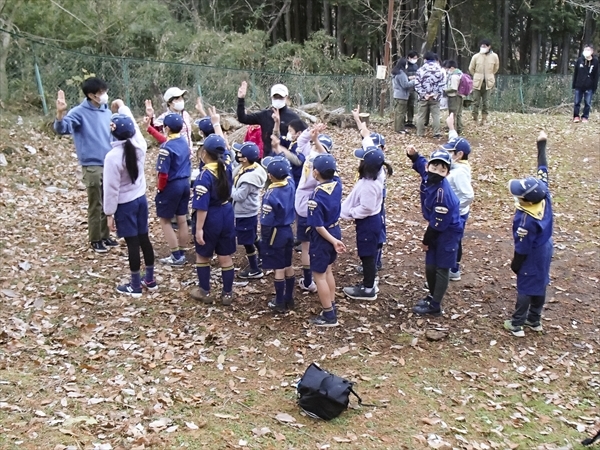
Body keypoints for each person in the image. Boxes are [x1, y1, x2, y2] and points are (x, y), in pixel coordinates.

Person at [54, 77, 118, 253]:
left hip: (109, 163)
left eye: (104, 91)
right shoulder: (79, 112)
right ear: (91, 95)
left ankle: (106, 235)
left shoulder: (106, 111)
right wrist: (60, 115)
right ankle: (95, 239)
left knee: (108, 202)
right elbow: (62, 129)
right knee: (95, 203)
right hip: (92, 165)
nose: (104, 95)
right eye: (100, 93)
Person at [103, 101, 156, 297]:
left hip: (125, 204)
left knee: (132, 243)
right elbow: (133, 126)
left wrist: (109, 213)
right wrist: (124, 107)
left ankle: (134, 285)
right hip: (141, 199)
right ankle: (150, 279)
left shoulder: (112, 157)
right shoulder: (139, 145)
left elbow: (110, 188)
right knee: (144, 239)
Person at [504, 131, 553, 337]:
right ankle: (535, 319)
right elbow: (543, 169)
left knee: (525, 285)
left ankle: (517, 324)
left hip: (531, 254)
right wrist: (541, 145)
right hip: (546, 248)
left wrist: (516, 264)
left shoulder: (525, 220)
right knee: (541, 281)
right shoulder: (545, 194)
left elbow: (522, 248)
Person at [406, 147, 461, 316]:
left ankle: (435, 305)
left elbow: (437, 226)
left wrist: (425, 241)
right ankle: (431, 295)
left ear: (447, 173)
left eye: (442, 170)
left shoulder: (443, 196)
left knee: (441, 267)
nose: (437, 172)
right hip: (435, 226)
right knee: (430, 264)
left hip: (448, 231)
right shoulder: (428, 175)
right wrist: (414, 155)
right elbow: (421, 163)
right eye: (434, 167)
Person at [190, 134, 236, 305]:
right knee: (225, 256)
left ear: (205, 153)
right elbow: (229, 153)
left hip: (211, 216)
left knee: (203, 255)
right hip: (227, 211)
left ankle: (204, 291)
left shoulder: (204, 177)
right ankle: (227, 293)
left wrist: (199, 229)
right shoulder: (227, 166)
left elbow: (202, 206)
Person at [341, 146, 389, 301]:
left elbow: (366, 208)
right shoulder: (377, 175)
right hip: (371, 222)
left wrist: (352, 212)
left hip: (368, 222)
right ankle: (370, 280)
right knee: (369, 253)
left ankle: (368, 289)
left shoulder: (369, 186)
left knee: (367, 255)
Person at [307, 154, 345, 326]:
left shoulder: (316, 197)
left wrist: (332, 241)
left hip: (324, 238)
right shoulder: (337, 184)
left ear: (315, 173)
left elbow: (318, 226)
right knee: (328, 270)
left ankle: (329, 315)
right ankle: (331, 303)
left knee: (319, 276)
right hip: (335, 230)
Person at [294, 125, 333, 293]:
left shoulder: (309, 156)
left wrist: (310, 134)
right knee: (314, 245)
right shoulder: (324, 168)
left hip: (301, 204)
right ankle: (316, 277)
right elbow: (326, 156)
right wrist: (316, 139)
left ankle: (308, 280)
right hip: (312, 205)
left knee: (305, 246)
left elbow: (300, 143)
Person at [260, 156, 296, 312]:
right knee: (288, 264)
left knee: (279, 267)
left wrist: (265, 241)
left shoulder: (270, 195)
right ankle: (289, 297)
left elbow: (266, 222)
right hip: (288, 230)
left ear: (270, 176)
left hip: (276, 232)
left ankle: (279, 301)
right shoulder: (291, 184)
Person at [155, 113, 191, 266]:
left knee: (165, 220)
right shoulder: (183, 141)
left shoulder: (166, 148)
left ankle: (176, 255)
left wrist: (159, 189)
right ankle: (182, 251)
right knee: (182, 219)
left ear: (167, 128)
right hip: (185, 183)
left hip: (172, 185)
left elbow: (163, 174)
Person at [442, 113, 474, 281]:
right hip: (457, 211)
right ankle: (453, 267)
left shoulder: (459, 172)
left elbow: (468, 195)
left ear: (459, 154)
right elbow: (456, 141)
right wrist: (451, 127)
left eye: (450, 152)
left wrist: (454, 209)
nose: (448, 154)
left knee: (452, 241)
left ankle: (453, 269)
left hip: (457, 214)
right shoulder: (459, 162)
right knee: (454, 240)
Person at [231, 142, 267, 279]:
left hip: (245, 212)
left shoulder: (249, 179)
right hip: (249, 211)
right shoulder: (250, 166)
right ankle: (264, 255)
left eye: (240, 154)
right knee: (253, 235)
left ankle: (254, 269)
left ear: (245, 159)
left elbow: (239, 196)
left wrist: (229, 187)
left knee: (247, 241)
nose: (237, 156)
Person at [236, 81, 300, 157]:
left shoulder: (293, 117)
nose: (278, 99)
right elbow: (243, 118)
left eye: (280, 97)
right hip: (267, 156)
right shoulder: (264, 115)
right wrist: (241, 99)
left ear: (286, 97)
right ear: (271, 97)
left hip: (287, 157)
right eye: (276, 97)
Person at [145, 87, 194, 153]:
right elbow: (155, 129)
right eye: (177, 99)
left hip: (188, 154)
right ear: (170, 103)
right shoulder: (166, 117)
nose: (181, 101)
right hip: (175, 153)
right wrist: (150, 117)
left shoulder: (185, 114)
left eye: (181, 98)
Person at [415, 51, 446, 138]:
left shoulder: (420, 70)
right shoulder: (439, 70)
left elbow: (417, 84)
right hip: (435, 97)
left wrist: (424, 94)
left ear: (425, 59)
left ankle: (420, 133)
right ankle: (436, 133)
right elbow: (443, 84)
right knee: (436, 115)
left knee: (421, 115)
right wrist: (435, 93)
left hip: (423, 97)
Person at [468, 39, 499, 125]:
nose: (482, 47)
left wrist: (490, 76)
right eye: (481, 46)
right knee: (475, 101)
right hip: (477, 83)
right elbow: (471, 68)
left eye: (484, 46)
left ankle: (484, 119)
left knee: (486, 102)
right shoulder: (476, 56)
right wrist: (477, 76)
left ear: (489, 47)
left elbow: (496, 68)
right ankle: (475, 118)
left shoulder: (494, 56)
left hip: (488, 83)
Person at [572, 44, 599, 123]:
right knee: (577, 102)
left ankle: (585, 117)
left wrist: (594, 87)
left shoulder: (595, 62)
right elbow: (576, 73)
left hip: (589, 86)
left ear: (592, 51)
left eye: (588, 50)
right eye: (585, 50)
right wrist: (574, 85)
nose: (586, 51)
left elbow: (596, 75)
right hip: (579, 85)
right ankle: (576, 116)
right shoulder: (580, 60)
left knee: (587, 103)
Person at [391, 57, 416, 134]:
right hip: (402, 96)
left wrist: (408, 78)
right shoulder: (401, 74)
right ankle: (399, 129)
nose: (407, 66)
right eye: (406, 64)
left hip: (397, 95)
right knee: (401, 113)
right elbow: (405, 85)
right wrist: (414, 81)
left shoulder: (395, 73)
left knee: (398, 112)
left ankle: (398, 127)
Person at [443, 60, 464, 134]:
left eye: (448, 69)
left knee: (453, 114)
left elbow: (453, 88)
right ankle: (459, 129)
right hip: (459, 96)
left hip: (454, 97)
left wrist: (445, 90)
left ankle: (453, 130)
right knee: (458, 113)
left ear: (451, 68)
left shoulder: (454, 76)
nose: (447, 70)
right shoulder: (460, 73)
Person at [405, 50, 420, 128]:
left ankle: (410, 120)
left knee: (411, 105)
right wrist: (408, 78)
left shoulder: (416, 66)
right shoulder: (405, 65)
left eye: (416, 58)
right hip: (405, 88)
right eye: (413, 58)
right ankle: (402, 120)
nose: (415, 59)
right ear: (409, 58)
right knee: (404, 105)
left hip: (413, 88)